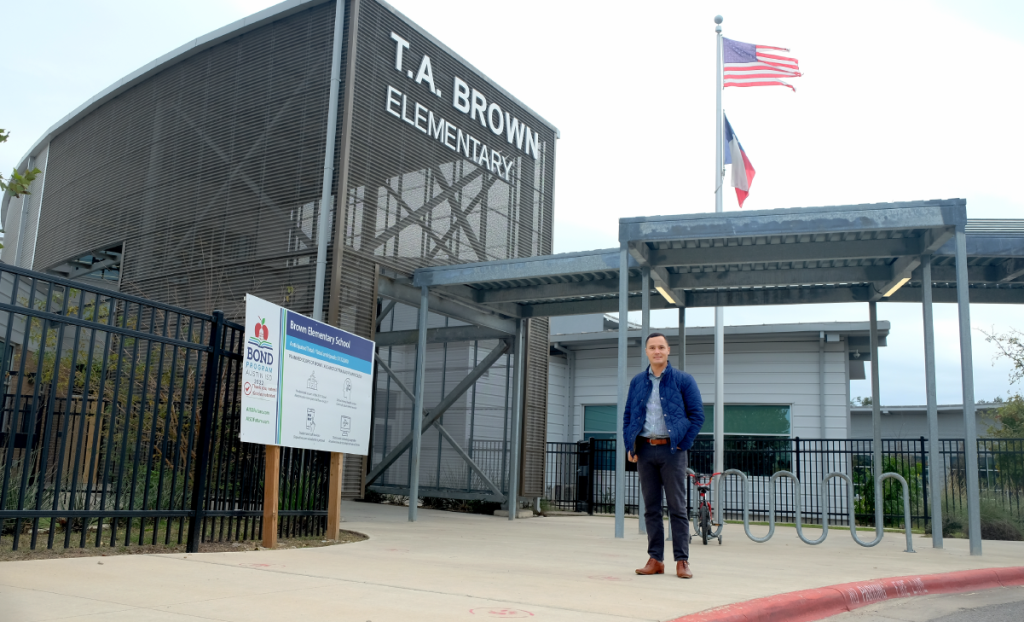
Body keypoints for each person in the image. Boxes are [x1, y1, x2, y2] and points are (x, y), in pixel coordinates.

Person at [623, 332, 705, 579]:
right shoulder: (638, 381)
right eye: (652, 347)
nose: (657, 351)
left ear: (668, 350)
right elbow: (628, 416)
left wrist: (682, 444)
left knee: (678, 507)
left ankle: (682, 561)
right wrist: (631, 445)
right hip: (645, 449)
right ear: (646, 352)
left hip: (672, 451)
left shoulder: (683, 380)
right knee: (651, 508)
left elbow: (697, 416)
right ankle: (655, 559)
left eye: (661, 347)